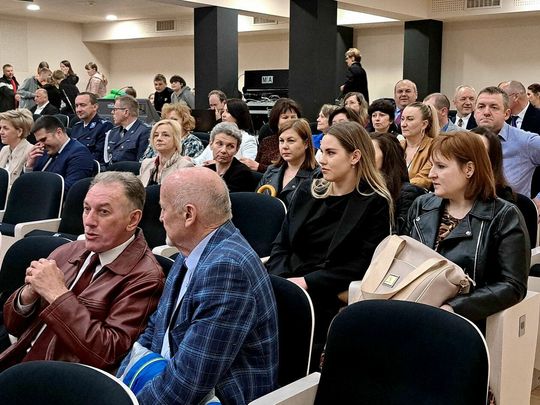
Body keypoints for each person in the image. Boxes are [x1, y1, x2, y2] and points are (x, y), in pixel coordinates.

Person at [117, 167, 278, 404]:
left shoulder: (227, 271)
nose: (160, 218)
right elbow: (155, 329)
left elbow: (189, 383)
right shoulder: (191, 249)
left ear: (189, 215)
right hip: (171, 377)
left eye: (164, 209)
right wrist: (123, 381)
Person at [0, 171, 165, 371]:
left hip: (56, 377)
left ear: (132, 220)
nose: (89, 221)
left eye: (103, 212)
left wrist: (57, 294)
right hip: (18, 359)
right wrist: (28, 296)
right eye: (87, 209)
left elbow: (108, 354)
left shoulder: (146, 278)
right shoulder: (68, 250)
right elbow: (12, 325)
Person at [266, 121, 392, 344]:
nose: (321, 160)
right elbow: (281, 244)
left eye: (331, 153)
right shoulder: (307, 191)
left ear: (355, 157)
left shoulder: (374, 202)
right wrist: (280, 279)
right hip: (286, 280)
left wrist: (306, 282)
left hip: (327, 291)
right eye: (321, 151)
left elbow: (361, 263)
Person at [403, 131, 528, 322]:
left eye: (441, 166)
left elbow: (512, 285)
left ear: (469, 169)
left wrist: (454, 307)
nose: (431, 174)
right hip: (414, 308)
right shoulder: (422, 205)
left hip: (465, 322)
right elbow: (402, 257)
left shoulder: (504, 216)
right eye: (432, 165)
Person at [473, 86, 540, 201]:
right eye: (481, 106)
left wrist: (539, 199)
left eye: (494, 107)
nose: (486, 112)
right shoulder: (464, 141)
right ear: (474, 112)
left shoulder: (526, 141)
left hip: (514, 209)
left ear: (506, 114)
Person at [370, 132, 425, 234]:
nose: (365, 158)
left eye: (370, 153)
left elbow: (400, 236)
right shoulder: (364, 188)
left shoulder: (407, 193)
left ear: (387, 156)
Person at [24, 115, 94, 193]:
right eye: (38, 141)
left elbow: (70, 190)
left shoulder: (80, 154)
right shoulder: (42, 152)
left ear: (59, 133)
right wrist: (29, 167)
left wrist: (35, 188)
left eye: (43, 139)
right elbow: (24, 186)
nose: (41, 145)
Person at [258, 118, 318, 207]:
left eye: (291, 141)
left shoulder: (317, 176)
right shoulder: (271, 171)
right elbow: (257, 202)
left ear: (306, 144)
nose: (284, 146)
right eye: (281, 141)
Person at [240, 98, 301, 173]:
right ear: (276, 120)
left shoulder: (301, 141)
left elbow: (290, 169)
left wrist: (260, 167)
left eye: (293, 117)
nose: (290, 121)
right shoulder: (266, 141)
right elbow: (255, 166)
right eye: (285, 117)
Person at [193, 98, 257, 165]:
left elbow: (248, 164)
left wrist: (218, 163)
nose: (223, 115)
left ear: (238, 115)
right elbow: (199, 160)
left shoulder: (248, 139)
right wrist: (189, 160)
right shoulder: (218, 135)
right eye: (223, 111)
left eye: (228, 112)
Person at [138, 119, 193, 186]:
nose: (159, 139)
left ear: (176, 139)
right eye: (156, 135)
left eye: (165, 135)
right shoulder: (146, 163)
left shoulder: (184, 166)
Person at [400, 102, 439, 190]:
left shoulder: (435, 147)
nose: (403, 124)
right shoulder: (397, 145)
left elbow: (423, 179)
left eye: (410, 119)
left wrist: (395, 187)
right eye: (402, 119)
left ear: (424, 124)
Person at [471, 126, 515, 202]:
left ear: (491, 159)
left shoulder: (503, 198)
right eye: (468, 148)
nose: (471, 154)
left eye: (480, 150)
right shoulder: (452, 188)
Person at [206, 122, 254, 192]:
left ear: (237, 150)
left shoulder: (243, 173)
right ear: (211, 144)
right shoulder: (207, 170)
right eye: (220, 144)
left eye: (230, 146)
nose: (223, 150)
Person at [104, 95, 150, 166]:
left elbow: (141, 164)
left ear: (126, 112)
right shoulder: (113, 132)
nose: (112, 112)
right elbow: (106, 160)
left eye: (115, 109)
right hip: (111, 171)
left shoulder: (144, 131)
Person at [70, 92, 113, 163]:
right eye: (76, 106)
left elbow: (99, 155)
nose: (78, 110)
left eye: (83, 105)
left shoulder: (104, 126)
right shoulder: (76, 126)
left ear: (95, 107)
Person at [0, 109, 34, 189]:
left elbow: (25, 185)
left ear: (19, 132)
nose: (1, 132)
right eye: (0, 128)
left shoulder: (30, 151)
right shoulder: (4, 149)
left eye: (5, 128)